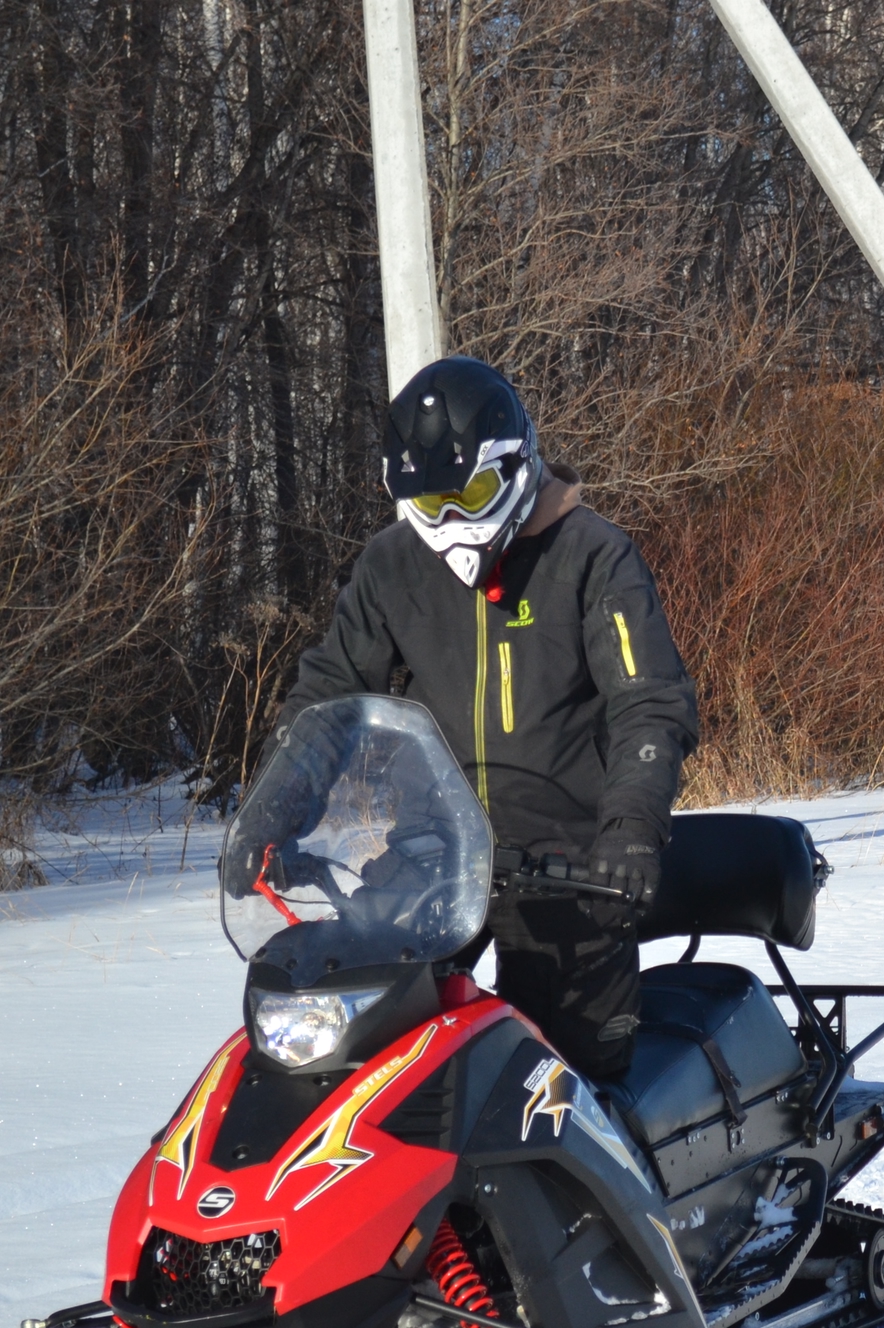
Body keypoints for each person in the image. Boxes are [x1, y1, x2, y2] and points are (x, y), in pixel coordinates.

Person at [267, 356, 698, 1081]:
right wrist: (280, 800)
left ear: (516, 465)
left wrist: (628, 830)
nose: (450, 521)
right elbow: (330, 695)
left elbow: (648, 703)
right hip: (436, 853)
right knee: (345, 1042)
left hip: (572, 864)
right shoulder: (394, 566)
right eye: (430, 503)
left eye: (468, 494)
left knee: (568, 1085)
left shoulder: (592, 556)